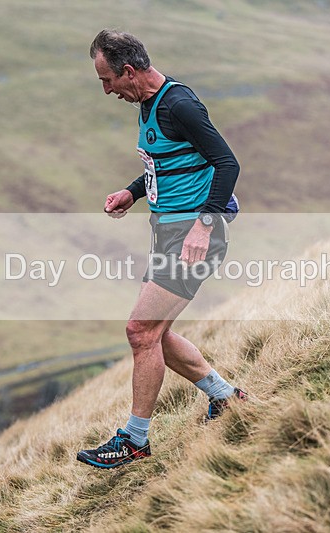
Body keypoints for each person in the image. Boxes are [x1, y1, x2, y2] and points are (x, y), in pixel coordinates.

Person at [76, 29, 246, 469]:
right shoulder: (150, 103)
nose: (106, 89)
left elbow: (227, 162)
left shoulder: (178, 104)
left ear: (128, 71)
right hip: (171, 234)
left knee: (140, 332)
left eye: (107, 79)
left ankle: (134, 439)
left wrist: (204, 226)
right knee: (156, 335)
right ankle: (227, 398)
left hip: (192, 238)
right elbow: (170, 162)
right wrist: (133, 192)